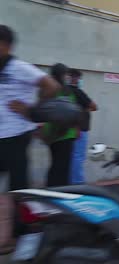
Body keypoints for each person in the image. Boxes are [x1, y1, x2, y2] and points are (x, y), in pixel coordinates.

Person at [0, 25, 60, 254]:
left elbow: (51, 86)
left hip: (16, 136)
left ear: (5, 46)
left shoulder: (20, 68)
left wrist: (32, 110)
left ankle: (18, 237)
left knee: (18, 190)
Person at [41, 63, 79, 187]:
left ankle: (50, 190)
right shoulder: (66, 90)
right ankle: (60, 193)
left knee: (55, 165)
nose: (67, 77)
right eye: (66, 74)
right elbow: (71, 112)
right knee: (63, 168)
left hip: (51, 134)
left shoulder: (46, 89)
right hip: (65, 133)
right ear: (62, 75)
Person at [68, 69, 98, 184]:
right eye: (79, 78)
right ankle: (78, 183)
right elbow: (94, 106)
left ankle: (71, 181)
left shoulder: (65, 92)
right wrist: (85, 109)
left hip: (69, 130)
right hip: (80, 130)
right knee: (78, 157)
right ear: (76, 79)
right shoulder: (78, 92)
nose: (80, 81)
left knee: (72, 157)